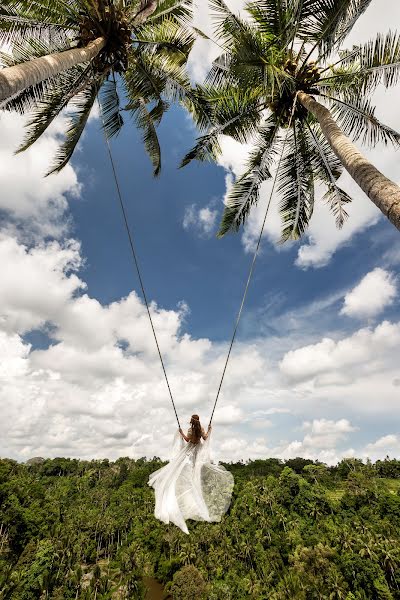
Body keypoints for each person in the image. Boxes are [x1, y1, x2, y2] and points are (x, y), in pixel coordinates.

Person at [148, 414, 234, 534]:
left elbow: (187, 440)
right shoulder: (201, 430)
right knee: (192, 469)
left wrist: (181, 433)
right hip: (197, 452)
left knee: (180, 467)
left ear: (191, 422)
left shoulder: (190, 430)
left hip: (190, 450)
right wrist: (210, 429)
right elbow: (205, 438)